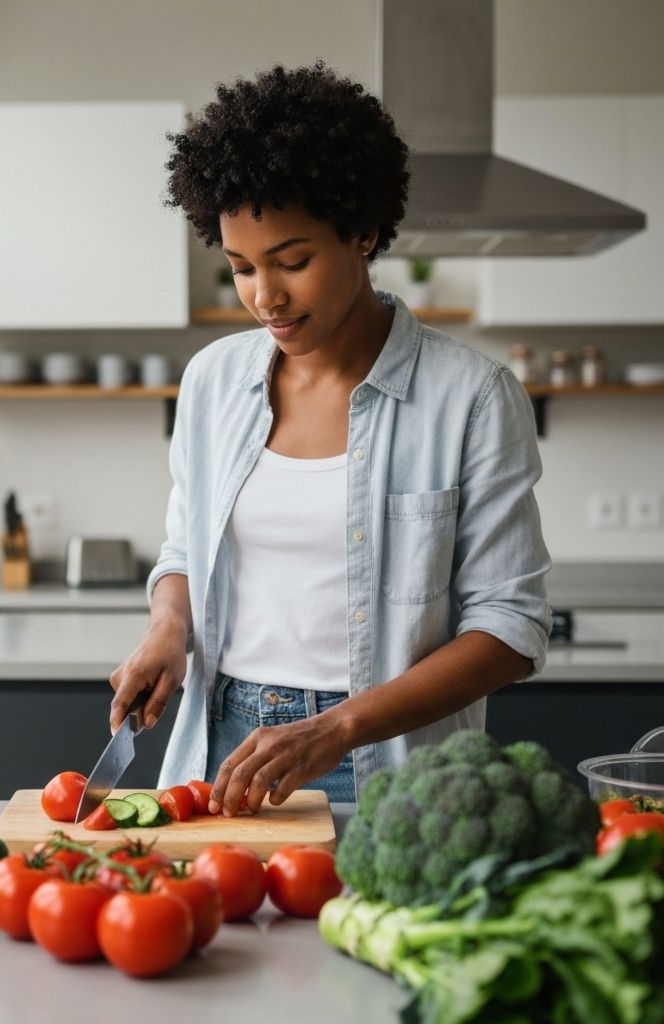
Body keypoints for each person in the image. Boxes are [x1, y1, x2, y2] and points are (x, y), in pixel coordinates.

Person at [109, 62, 551, 816]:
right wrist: (168, 628)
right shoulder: (212, 381)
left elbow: (511, 627)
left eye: (293, 261)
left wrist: (338, 728)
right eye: (241, 268)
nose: (266, 297)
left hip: (385, 760)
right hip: (219, 747)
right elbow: (186, 549)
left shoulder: (471, 397)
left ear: (363, 231)